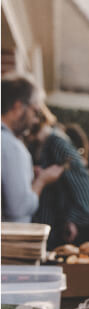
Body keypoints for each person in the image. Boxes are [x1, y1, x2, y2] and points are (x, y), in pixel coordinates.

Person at [26, 107, 89, 249]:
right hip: (40, 221)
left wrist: (73, 219)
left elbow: (82, 182)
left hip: (56, 226)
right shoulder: (35, 145)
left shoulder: (57, 143)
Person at [1, 75, 64, 223]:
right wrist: (41, 181)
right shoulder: (11, 146)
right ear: (18, 107)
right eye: (35, 111)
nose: (36, 120)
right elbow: (19, 210)